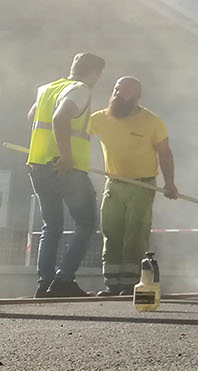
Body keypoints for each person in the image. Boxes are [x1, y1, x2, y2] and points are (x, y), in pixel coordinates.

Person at [86, 77, 178, 296]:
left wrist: (170, 183)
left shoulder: (152, 121)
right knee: (111, 229)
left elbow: (164, 153)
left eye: (125, 90)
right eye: (116, 88)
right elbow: (76, 132)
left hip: (142, 185)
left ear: (137, 97)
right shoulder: (100, 118)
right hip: (114, 183)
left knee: (135, 232)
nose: (118, 93)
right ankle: (111, 283)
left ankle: (130, 283)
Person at [25, 52, 106, 297]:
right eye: (99, 74)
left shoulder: (48, 88)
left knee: (52, 225)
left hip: (38, 165)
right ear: (93, 72)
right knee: (86, 223)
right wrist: (67, 156)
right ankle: (63, 280)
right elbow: (60, 117)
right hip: (65, 168)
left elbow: (32, 118)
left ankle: (44, 282)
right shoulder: (80, 90)